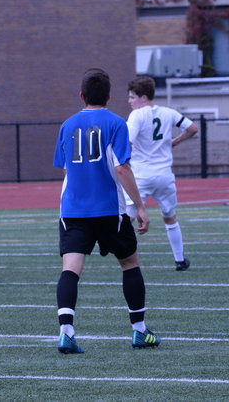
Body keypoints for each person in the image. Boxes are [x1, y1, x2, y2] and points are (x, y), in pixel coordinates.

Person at [52, 68, 159, 354]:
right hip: (109, 210)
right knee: (130, 263)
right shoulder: (116, 123)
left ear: (81, 95)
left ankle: (66, 333)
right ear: (109, 96)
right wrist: (140, 206)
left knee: (70, 270)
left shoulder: (67, 125)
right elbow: (122, 168)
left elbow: (66, 168)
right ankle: (139, 331)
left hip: (73, 210)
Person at [125, 76, 198, 271]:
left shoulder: (136, 115)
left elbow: (127, 141)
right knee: (169, 217)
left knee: (128, 217)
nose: (129, 101)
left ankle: (113, 246)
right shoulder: (168, 113)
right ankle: (180, 260)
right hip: (164, 175)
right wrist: (175, 141)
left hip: (140, 175)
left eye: (132, 97)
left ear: (143, 97)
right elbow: (193, 128)